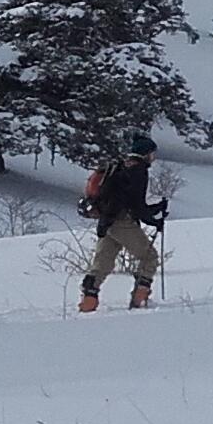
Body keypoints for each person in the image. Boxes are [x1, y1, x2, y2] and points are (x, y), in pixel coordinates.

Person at [77, 132, 167, 312]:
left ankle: (88, 302)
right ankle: (139, 299)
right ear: (145, 154)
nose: (153, 157)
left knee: (102, 264)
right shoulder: (138, 171)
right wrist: (154, 220)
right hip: (122, 221)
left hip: (107, 221)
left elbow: (127, 200)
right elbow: (137, 205)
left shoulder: (120, 167)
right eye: (152, 153)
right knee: (149, 257)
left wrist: (154, 209)